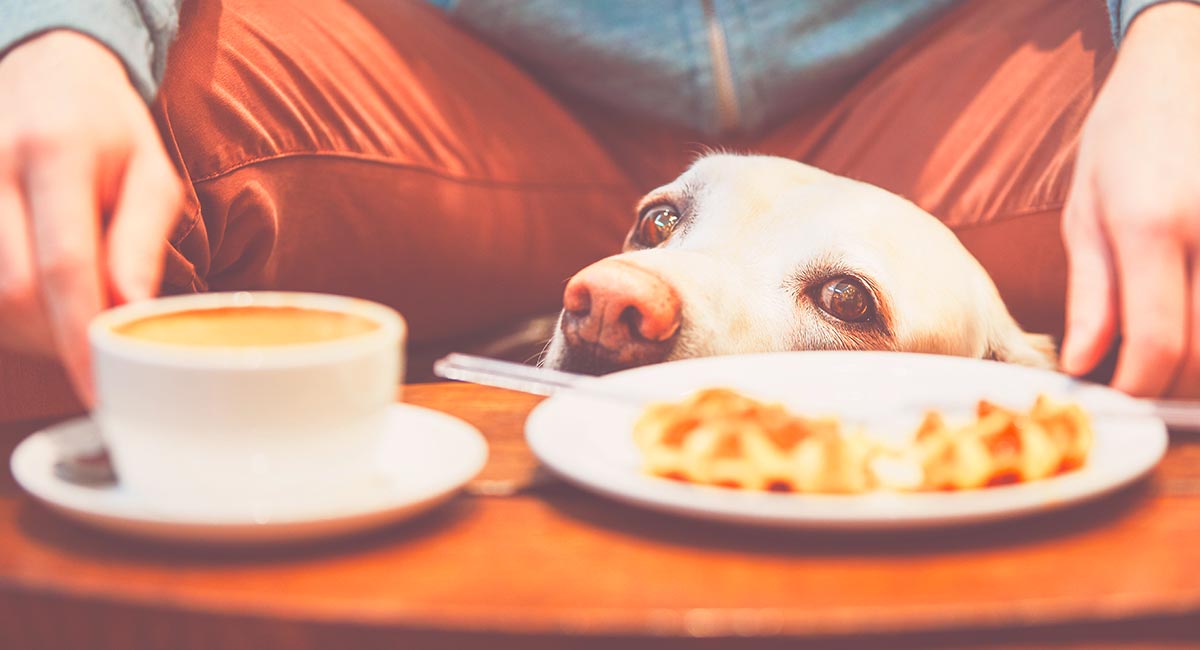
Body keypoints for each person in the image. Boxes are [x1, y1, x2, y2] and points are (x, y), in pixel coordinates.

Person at [0, 0, 1197, 422]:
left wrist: (1180, 29)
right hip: (472, 83)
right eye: (661, 234)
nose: (621, 292)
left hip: (951, 73)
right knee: (67, 178)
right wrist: (54, 32)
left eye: (842, 295)